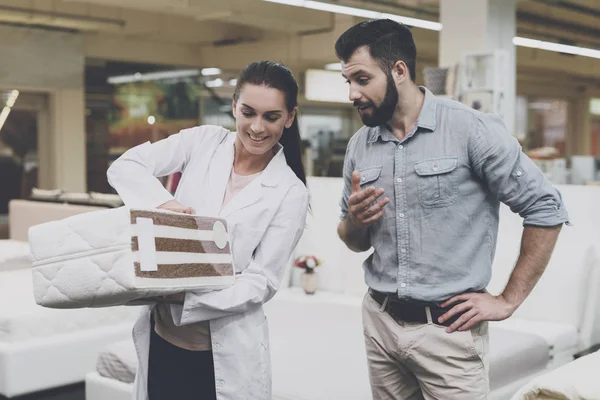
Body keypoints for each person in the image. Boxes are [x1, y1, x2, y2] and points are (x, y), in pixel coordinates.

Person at [335, 19, 569, 399]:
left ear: (399, 71)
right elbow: (352, 240)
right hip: (380, 322)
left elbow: (545, 207)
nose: (352, 93)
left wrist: (508, 300)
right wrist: (354, 222)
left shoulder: (469, 130)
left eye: (361, 79)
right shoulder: (360, 145)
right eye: (347, 81)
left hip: (449, 332)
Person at [107, 60, 310, 400]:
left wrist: (187, 296)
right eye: (248, 112)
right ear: (234, 107)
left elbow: (261, 281)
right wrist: (162, 204)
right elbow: (126, 167)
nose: (257, 127)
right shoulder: (203, 141)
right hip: (161, 340)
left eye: (271, 116)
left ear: (290, 117)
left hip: (220, 355)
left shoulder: (290, 192)